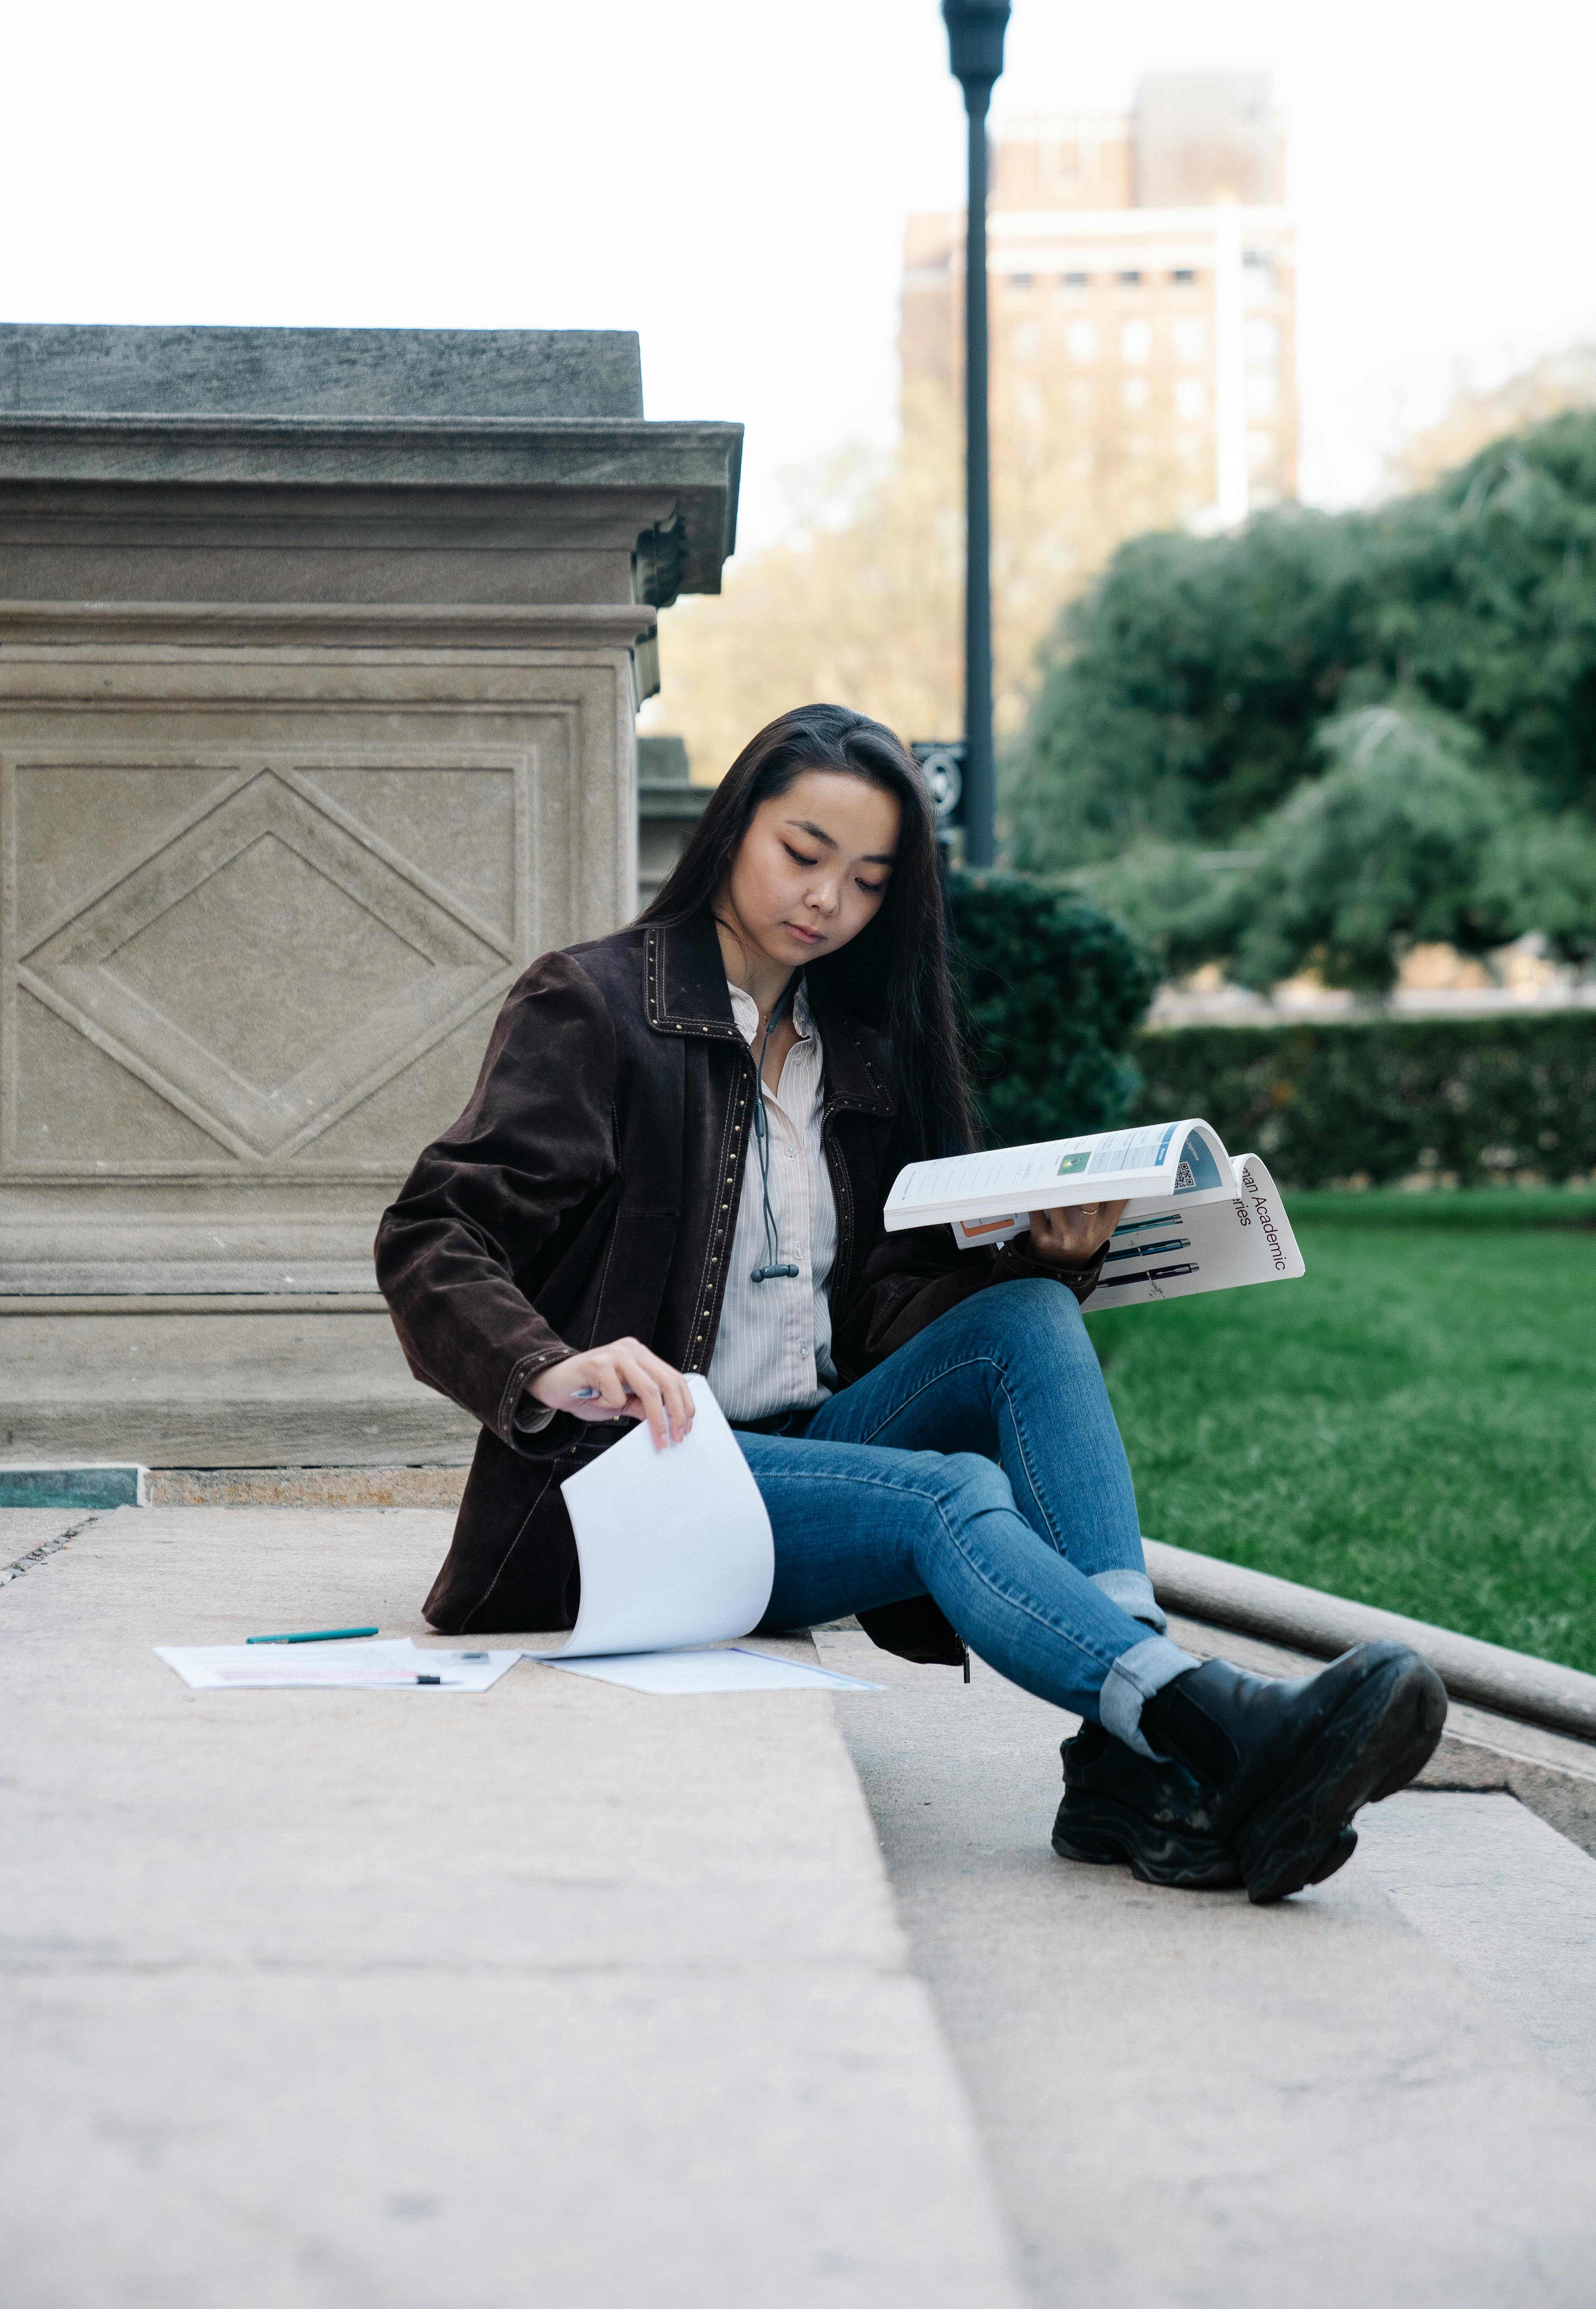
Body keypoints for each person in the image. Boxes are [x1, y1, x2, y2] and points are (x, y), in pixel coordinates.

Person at [376, 703, 1445, 1905]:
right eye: (803, 851)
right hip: (634, 1485)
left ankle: (1121, 1762)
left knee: (1029, 1322)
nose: (828, 898)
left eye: (869, 878)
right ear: (734, 827)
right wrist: (542, 1366)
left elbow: (885, 1321)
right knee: (953, 1494)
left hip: (805, 1459)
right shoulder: (596, 1007)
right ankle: (1201, 1729)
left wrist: (1049, 1256)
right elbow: (433, 1234)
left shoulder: (861, 1053)